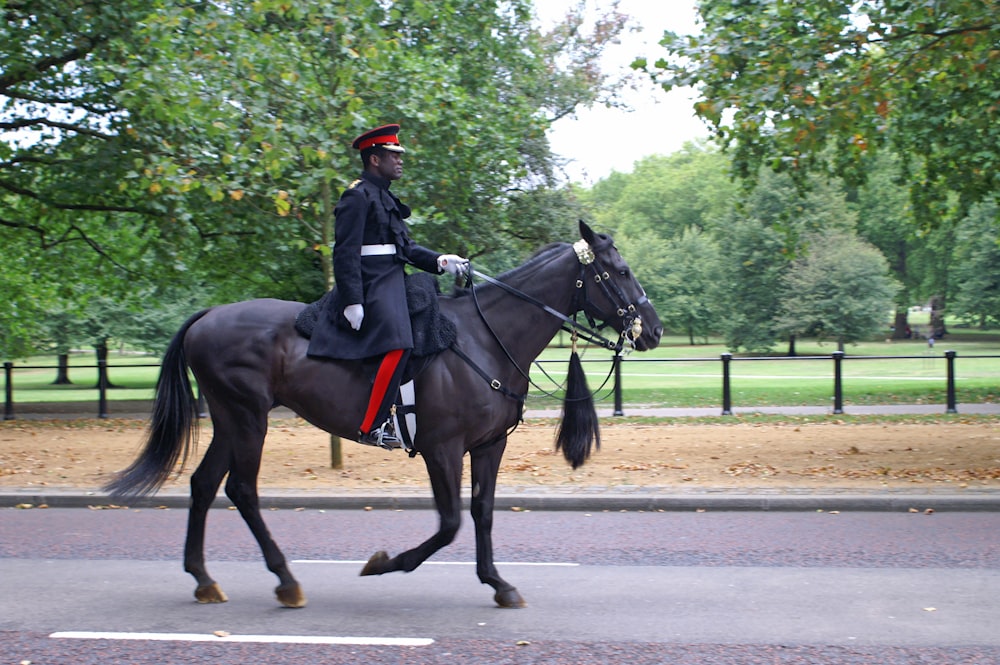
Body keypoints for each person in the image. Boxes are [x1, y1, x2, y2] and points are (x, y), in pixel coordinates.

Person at [307, 124, 468, 447]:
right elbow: (345, 252)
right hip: (370, 284)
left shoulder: (385, 197)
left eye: (399, 155)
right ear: (374, 160)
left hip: (393, 279)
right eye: (393, 155)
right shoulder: (357, 195)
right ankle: (372, 426)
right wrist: (353, 300)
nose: (400, 160)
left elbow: (405, 248)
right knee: (398, 344)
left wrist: (439, 261)